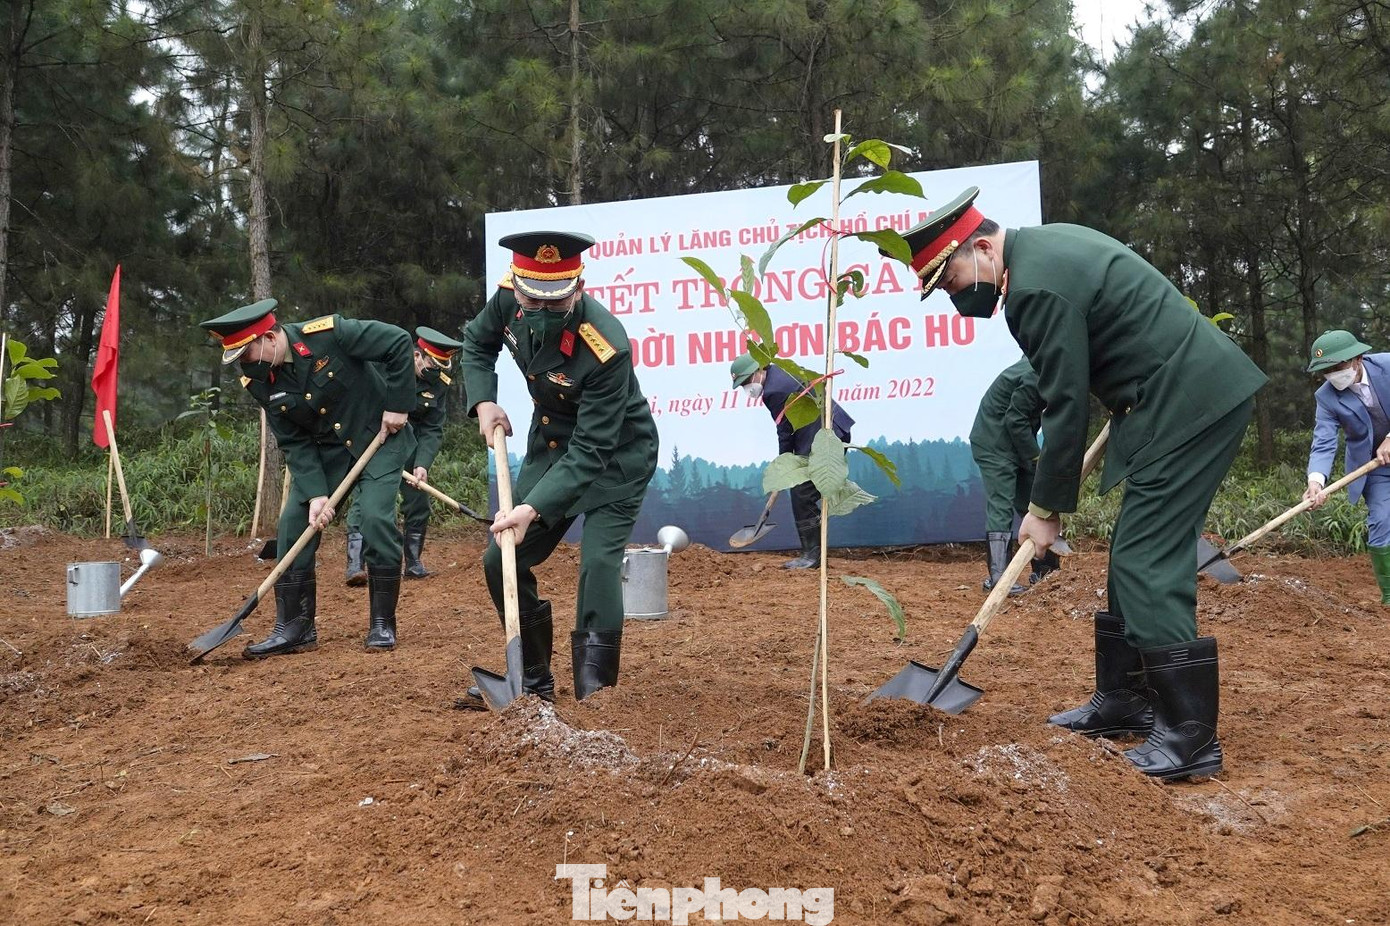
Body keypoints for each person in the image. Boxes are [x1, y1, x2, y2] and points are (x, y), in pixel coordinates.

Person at [887, 187, 1267, 781]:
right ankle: (1127, 699)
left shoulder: (1034, 288)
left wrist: (1044, 508)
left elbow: (1063, 404)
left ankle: (1190, 740)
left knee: (1147, 558)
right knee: (1133, 556)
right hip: (1168, 397)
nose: (954, 296)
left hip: (1189, 403)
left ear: (982, 248)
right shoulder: (1044, 250)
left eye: (953, 280)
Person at [459, 231, 659, 703]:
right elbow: (476, 341)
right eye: (532, 298)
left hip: (615, 458)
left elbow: (591, 450)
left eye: (557, 301)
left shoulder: (606, 345)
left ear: (579, 288)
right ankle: (533, 679)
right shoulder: (508, 299)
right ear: (516, 284)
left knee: (598, 565)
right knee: (501, 558)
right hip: (552, 448)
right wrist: (484, 401)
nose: (541, 310)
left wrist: (534, 508)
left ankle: (596, 691)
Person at [200, 298, 418, 656]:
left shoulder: (331, 335)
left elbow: (396, 342)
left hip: (379, 438)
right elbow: (293, 440)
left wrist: (398, 404)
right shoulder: (257, 379)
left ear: (269, 338)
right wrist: (316, 494)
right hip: (324, 454)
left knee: (377, 519)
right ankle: (295, 627)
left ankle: (382, 622)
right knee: (292, 523)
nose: (243, 363)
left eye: (246, 353)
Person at [344, 326, 462, 584]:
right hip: (374, 440)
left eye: (442, 367)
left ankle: (413, 562)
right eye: (433, 364)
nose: (437, 372)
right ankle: (355, 565)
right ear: (417, 355)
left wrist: (422, 464)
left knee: (418, 500)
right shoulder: (386, 367)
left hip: (410, 443)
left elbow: (432, 427)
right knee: (364, 501)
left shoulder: (439, 383)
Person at [729, 354, 854, 569]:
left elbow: (785, 431)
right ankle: (813, 554)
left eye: (747, 382)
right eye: (743, 385)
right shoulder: (781, 373)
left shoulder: (774, 391)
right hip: (827, 432)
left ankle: (812, 557)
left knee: (802, 493)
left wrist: (784, 464)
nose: (747, 388)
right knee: (804, 493)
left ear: (759, 370)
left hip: (824, 438)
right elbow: (789, 423)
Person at [1302, 330, 1390, 605]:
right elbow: (1324, 441)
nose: (1332, 374)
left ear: (1357, 358)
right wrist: (1316, 482)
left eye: (1337, 366)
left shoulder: (1387, 365)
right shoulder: (1326, 397)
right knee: (1381, 519)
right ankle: (1389, 596)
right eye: (1326, 370)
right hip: (1374, 467)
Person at [969, 357, 1058, 594]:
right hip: (993, 443)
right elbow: (1016, 420)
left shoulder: (1042, 366)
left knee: (1034, 499)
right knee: (1002, 503)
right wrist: (1036, 458)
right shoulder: (1035, 373)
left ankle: (1046, 569)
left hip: (1013, 442)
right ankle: (999, 577)